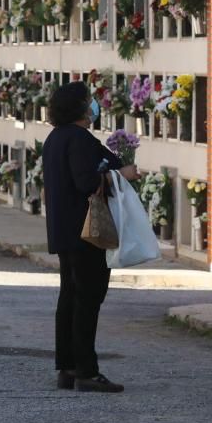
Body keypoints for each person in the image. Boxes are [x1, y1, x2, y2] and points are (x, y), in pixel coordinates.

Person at [42, 81, 139, 393]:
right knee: (88, 299)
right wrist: (121, 175)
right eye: (90, 101)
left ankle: (67, 368)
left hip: (65, 229)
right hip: (87, 232)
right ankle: (86, 370)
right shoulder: (80, 139)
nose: (94, 105)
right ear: (81, 109)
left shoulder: (55, 138)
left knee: (69, 298)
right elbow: (86, 182)